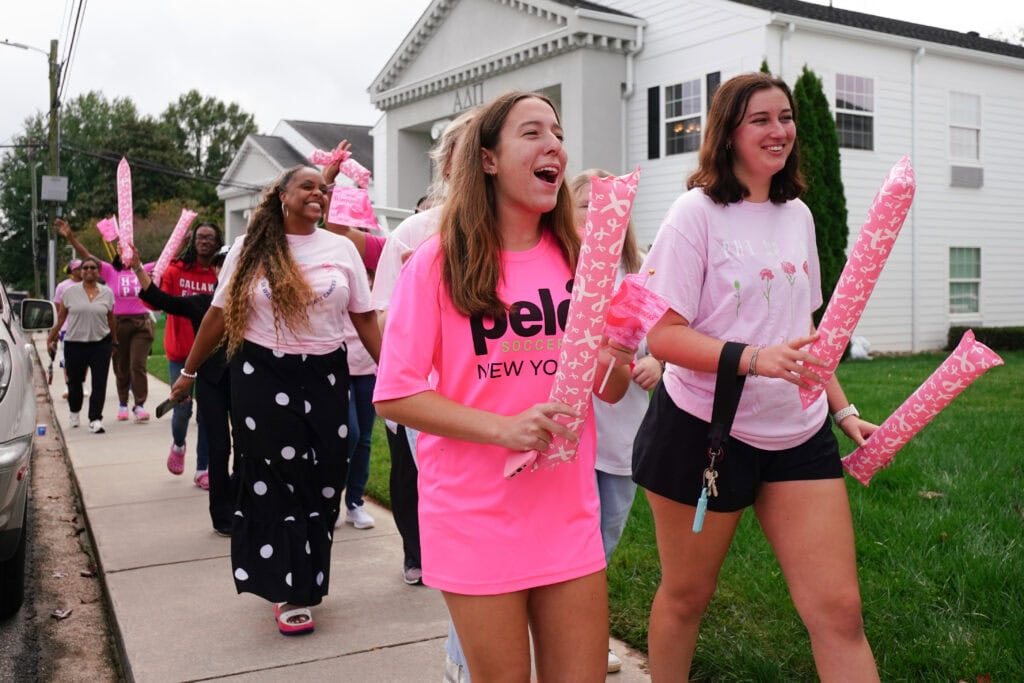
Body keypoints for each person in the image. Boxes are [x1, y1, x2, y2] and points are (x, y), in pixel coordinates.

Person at [373, 91, 634, 682]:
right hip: (475, 516)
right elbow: (395, 392)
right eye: (532, 132)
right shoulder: (438, 262)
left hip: (567, 512)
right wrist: (504, 429)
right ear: (487, 159)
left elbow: (611, 391)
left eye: (558, 134)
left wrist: (612, 353)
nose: (554, 146)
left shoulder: (581, 262)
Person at [631, 72, 880, 681]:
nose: (779, 131)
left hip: (799, 432)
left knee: (840, 612)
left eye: (785, 117)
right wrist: (751, 357)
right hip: (705, 431)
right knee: (687, 598)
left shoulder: (798, 215)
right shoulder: (695, 215)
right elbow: (662, 335)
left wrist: (843, 410)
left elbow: (804, 329)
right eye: (760, 120)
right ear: (728, 133)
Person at [168, 164, 381, 636]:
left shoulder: (341, 249)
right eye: (307, 186)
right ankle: (289, 590)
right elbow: (217, 316)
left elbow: (365, 318)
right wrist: (188, 372)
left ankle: (308, 575)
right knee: (275, 478)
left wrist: (391, 373)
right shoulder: (250, 248)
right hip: (261, 373)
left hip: (326, 374)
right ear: (282, 195)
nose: (318, 194)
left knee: (326, 476)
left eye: (323, 189)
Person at [370, 107, 477, 590]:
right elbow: (384, 320)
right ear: (449, 165)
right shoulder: (415, 234)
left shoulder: (526, 231)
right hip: (432, 400)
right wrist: (427, 284)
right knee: (449, 515)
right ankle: (422, 558)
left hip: (501, 398)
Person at [569, 169, 663, 674]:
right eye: (587, 204)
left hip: (621, 434)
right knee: (568, 545)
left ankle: (588, 637)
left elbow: (665, 337)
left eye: (611, 205)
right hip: (568, 434)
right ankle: (565, 638)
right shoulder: (555, 267)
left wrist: (659, 363)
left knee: (603, 543)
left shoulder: (641, 271)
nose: (600, 213)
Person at [132, 246, 234, 535]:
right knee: (219, 447)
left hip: (246, 384)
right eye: (222, 264)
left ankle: (243, 505)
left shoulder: (255, 303)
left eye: (233, 262)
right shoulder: (202, 303)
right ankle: (222, 516)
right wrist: (138, 268)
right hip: (212, 384)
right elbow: (160, 299)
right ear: (216, 271)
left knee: (248, 448)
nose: (227, 268)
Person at [55, 219, 154, 424]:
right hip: (119, 323)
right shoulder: (111, 271)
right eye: (123, 251)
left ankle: (140, 405)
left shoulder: (144, 270)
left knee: (137, 365)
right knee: (121, 366)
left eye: (130, 251)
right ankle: (123, 403)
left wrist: (182, 239)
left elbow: (168, 260)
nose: (126, 255)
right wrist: (71, 237)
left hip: (141, 324)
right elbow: (87, 256)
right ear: (118, 254)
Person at [158, 222, 223, 487]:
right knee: (182, 409)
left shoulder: (221, 274)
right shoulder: (177, 270)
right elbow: (155, 299)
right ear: (193, 241)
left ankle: (202, 468)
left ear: (217, 242)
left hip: (210, 356)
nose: (204, 241)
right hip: (180, 352)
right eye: (200, 237)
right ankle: (179, 444)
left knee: (207, 414)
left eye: (210, 237)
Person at [46, 256, 115, 434]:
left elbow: (111, 319)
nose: (89, 270)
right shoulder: (69, 292)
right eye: (85, 268)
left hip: (101, 343)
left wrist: (114, 341)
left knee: (99, 382)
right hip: (75, 344)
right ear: (80, 272)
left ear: (98, 272)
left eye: (93, 267)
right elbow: (61, 318)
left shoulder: (107, 293)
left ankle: (95, 419)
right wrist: (51, 337)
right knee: (75, 383)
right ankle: (74, 411)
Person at [53, 259, 84, 397]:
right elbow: (58, 307)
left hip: (85, 327)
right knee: (67, 359)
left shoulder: (88, 285)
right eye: (78, 268)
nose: (81, 270)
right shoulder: (62, 286)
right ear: (72, 270)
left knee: (84, 359)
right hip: (67, 328)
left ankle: (81, 384)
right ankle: (68, 386)